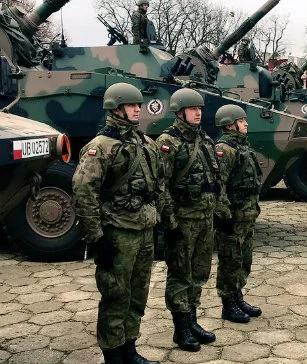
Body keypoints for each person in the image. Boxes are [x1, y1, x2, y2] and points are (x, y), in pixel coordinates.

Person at [72, 83, 164, 364]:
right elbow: (83, 191)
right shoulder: (101, 147)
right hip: (118, 233)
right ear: (116, 108)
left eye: (139, 104)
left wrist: (158, 222)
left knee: (138, 293)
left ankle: (129, 348)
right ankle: (113, 355)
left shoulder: (146, 143)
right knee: (115, 295)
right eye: (132, 105)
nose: (139, 109)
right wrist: (97, 237)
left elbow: (158, 184)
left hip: (144, 230)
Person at [157, 88, 225, 351]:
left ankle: (192, 320)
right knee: (180, 275)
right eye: (192, 109)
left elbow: (215, 179)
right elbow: (160, 186)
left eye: (200, 109)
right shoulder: (168, 142)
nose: (198, 113)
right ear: (180, 111)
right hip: (182, 220)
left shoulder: (205, 139)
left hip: (204, 218)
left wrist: (218, 211)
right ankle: (180, 328)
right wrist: (169, 222)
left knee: (198, 272)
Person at [214, 104, 263, 323]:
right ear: (230, 124)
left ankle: (238, 296)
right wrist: (224, 216)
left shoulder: (243, 146)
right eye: (242, 121)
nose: (246, 124)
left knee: (244, 260)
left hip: (247, 214)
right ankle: (228, 304)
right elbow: (219, 186)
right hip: (233, 218)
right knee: (230, 261)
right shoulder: (225, 149)